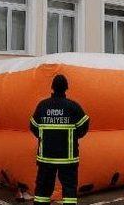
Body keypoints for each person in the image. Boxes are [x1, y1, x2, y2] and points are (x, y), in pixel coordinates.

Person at [30, 75, 90, 205]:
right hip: (68, 158)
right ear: (66, 88)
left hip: (46, 157)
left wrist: (43, 137)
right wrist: (74, 137)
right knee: (69, 190)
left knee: (42, 190)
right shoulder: (73, 106)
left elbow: (33, 126)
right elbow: (85, 125)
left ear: (52, 87)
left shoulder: (42, 106)